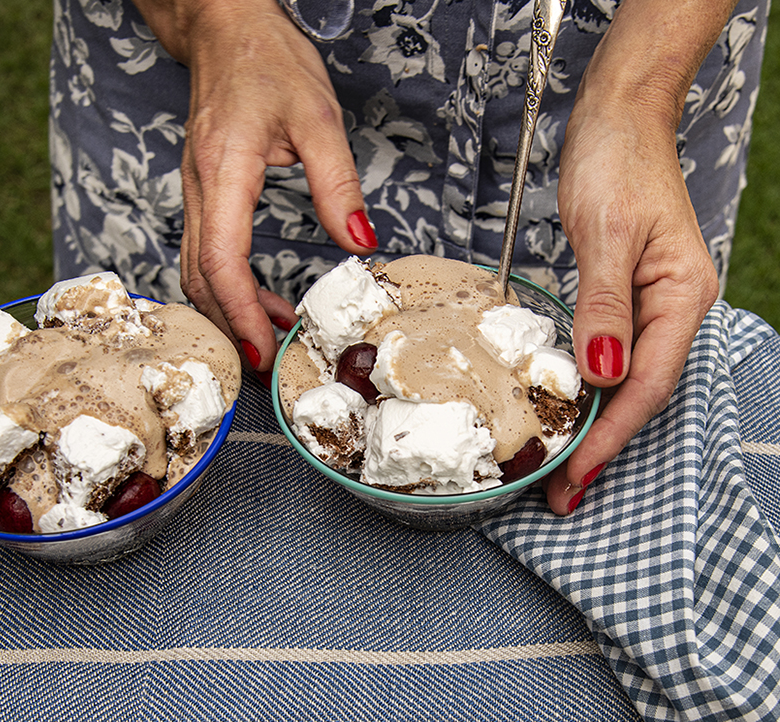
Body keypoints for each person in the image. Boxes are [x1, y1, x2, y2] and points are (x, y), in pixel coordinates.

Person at [49, 0, 770, 515]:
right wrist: (211, 16)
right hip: (242, 81)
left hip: (624, 99)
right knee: (132, 392)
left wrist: (640, 91)